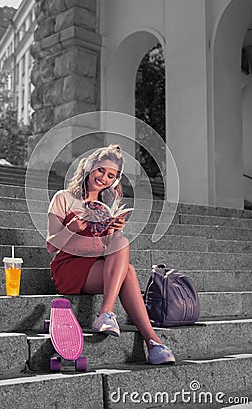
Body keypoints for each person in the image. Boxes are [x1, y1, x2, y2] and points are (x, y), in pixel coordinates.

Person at [46, 144, 175, 365]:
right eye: (100, 170)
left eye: (110, 175)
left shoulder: (110, 203)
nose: (103, 178)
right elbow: (50, 246)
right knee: (129, 272)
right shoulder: (64, 198)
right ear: (89, 167)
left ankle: (146, 338)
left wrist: (114, 228)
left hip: (99, 266)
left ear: (115, 180)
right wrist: (71, 229)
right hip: (69, 267)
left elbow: (110, 249)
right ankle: (151, 341)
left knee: (124, 251)